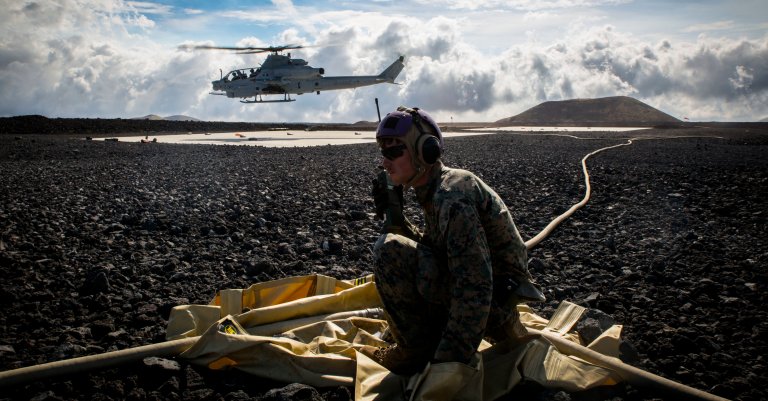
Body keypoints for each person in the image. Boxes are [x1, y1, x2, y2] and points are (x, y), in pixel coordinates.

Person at [363, 106, 543, 375]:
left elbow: (475, 285)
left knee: (388, 250)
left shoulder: (451, 195)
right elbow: (437, 251)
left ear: (425, 151)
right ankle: (426, 339)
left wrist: (446, 366)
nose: (384, 162)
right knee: (394, 242)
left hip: (491, 307)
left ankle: (413, 352)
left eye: (393, 152)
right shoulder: (435, 189)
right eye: (383, 152)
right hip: (490, 300)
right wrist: (397, 219)